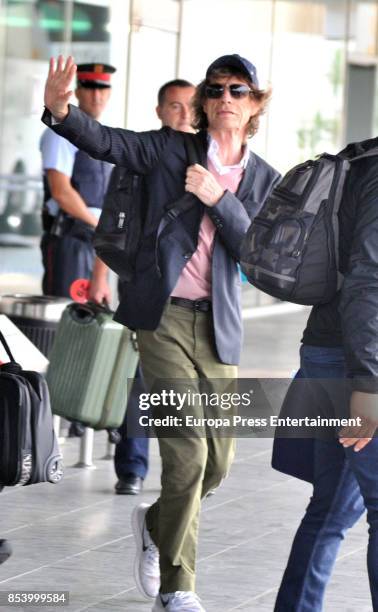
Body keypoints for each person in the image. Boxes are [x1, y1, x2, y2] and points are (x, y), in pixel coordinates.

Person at [42, 53, 279, 612]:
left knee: (218, 464)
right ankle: (179, 588)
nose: (226, 97)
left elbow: (257, 253)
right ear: (204, 102)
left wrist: (219, 200)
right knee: (189, 458)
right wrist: (61, 110)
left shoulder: (264, 177)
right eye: (216, 88)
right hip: (163, 316)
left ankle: (152, 525)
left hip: (219, 323)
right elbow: (108, 143)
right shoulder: (170, 149)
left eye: (238, 90)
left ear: (255, 104)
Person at [273, 136, 378, 611]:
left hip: (331, 351)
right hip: (354, 364)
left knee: (331, 509)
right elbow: (368, 281)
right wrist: (368, 385)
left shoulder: (361, 159)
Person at [89, 79, 196, 496]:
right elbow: (113, 223)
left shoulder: (214, 157)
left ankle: (187, 470)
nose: (184, 115)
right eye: (174, 106)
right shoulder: (142, 157)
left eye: (190, 106)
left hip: (200, 299)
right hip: (148, 287)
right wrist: (101, 274)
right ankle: (132, 465)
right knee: (141, 379)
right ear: (159, 112)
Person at [40, 62, 115, 298]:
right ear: (78, 90)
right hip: (71, 236)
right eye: (89, 87)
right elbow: (61, 192)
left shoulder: (102, 135)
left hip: (97, 238)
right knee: (67, 313)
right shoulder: (61, 132)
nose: (96, 95)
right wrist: (99, 227)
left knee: (91, 318)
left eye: (102, 88)